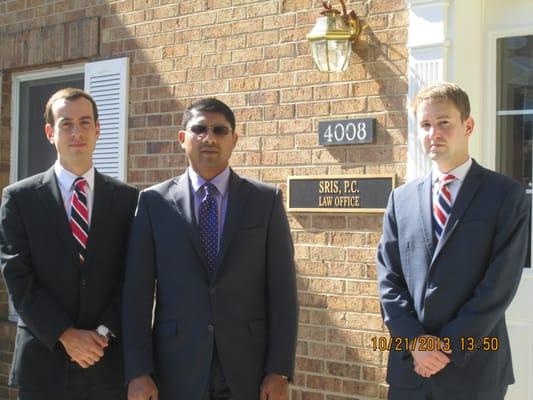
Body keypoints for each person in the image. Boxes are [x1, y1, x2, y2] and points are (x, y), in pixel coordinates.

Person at [122, 97, 298, 400]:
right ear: (182, 139)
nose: (209, 138)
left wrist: (278, 369)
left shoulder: (265, 201)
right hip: (175, 368)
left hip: (248, 369)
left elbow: (283, 291)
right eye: (199, 129)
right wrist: (138, 371)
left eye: (220, 130)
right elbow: (137, 294)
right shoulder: (153, 203)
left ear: (234, 139)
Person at [377, 82, 529, 400]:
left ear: (468, 125)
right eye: (426, 125)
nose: (435, 133)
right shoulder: (400, 200)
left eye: (444, 122)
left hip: (473, 368)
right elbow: (389, 281)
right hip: (411, 370)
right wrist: (416, 343)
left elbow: (499, 285)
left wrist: (445, 347)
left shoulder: (505, 195)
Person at [0, 88, 139, 400]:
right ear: (50, 133)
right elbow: (17, 276)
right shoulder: (20, 198)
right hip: (44, 362)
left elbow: (134, 277)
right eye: (66, 123)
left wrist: (101, 335)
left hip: (108, 362)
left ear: (98, 130)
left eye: (85, 122)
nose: (77, 132)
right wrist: (65, 334)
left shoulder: (127, 199)